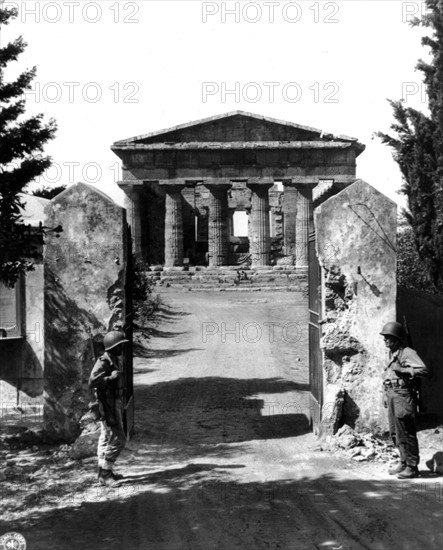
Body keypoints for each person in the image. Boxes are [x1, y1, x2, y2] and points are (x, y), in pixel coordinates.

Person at [380, 321, 428, 479]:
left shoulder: (407, 352)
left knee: (406, 431)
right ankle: (403, 461)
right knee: (395, 432)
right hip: (392, 394)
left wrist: (404, 369)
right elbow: (388, 375)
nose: (385, 340)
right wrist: (385, 394)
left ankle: (412, 466)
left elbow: (424, 369)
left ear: (397, 339)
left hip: (403, 395)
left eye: (389, 337)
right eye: (385, 337)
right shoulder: (391, 353)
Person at [89, 330, 128, 486]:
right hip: (107, 405)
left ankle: (102, 472)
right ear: (112, 347)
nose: (122, 349)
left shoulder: (111, 359)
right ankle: (106, 474)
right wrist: (110, 378)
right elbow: (92, 382)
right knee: (119, 438)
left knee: (105, 437)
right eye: (120, 346)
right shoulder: (103, 362)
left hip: (112, 402)